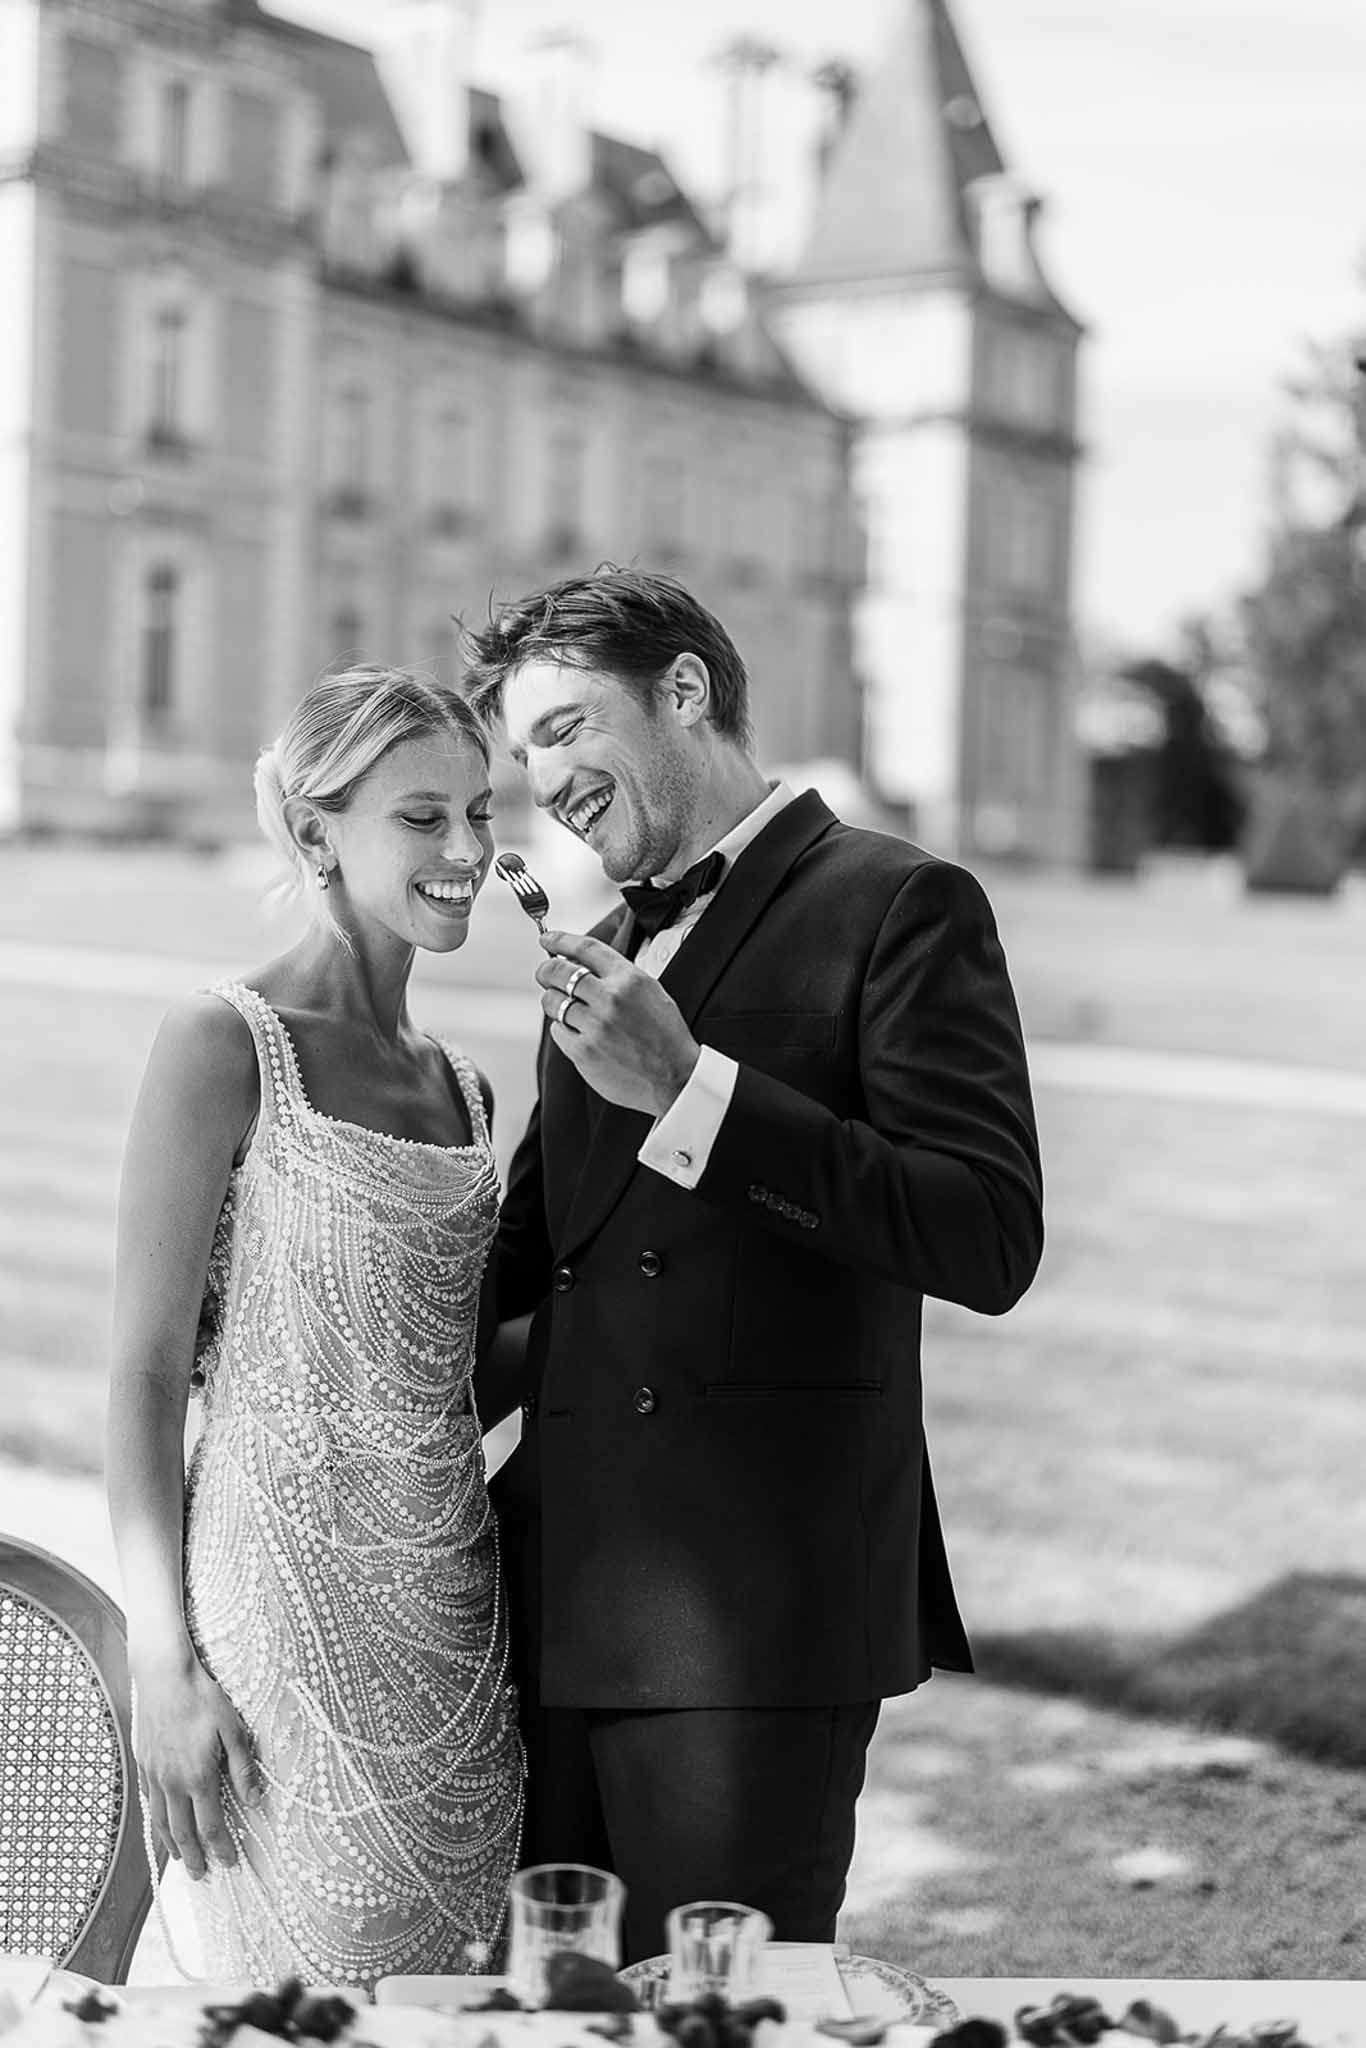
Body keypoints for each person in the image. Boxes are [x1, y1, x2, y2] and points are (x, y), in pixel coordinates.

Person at [466, 569, 1044, 1962]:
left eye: (562, 730)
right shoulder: (597, 948)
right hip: (553, 1598)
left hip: (750, 1621)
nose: (541, 782)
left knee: (727, 2012)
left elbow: (983, 1231)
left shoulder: (900, 903)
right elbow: (547, 1266)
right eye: (521, 753)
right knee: (546, 2008)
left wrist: (691, 1091)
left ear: (682, 691)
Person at [107, 668, 524, 1990]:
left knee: (457, 1991)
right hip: (278, 1629)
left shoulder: (464, 1085)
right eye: (421, 818)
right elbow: (141, 1373)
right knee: (307, 2000)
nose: (466, 852)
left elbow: (439, 1372)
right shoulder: (223, 1041)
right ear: (314, 833)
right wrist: (159, 1661)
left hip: (454, 1619)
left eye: (479, 810)